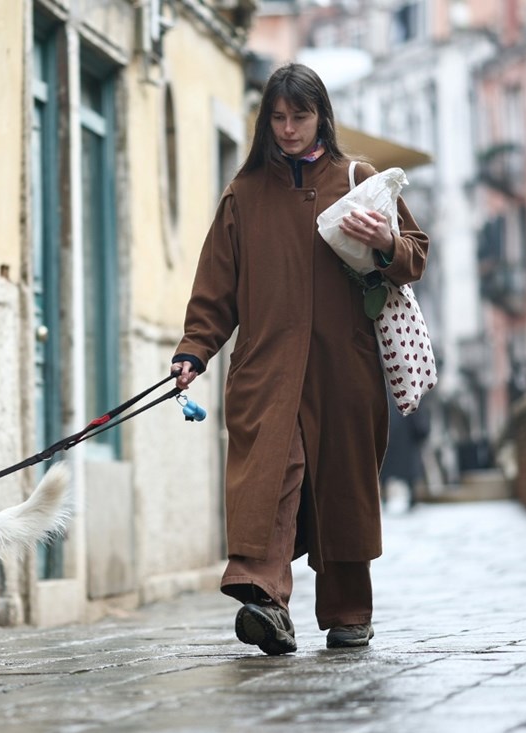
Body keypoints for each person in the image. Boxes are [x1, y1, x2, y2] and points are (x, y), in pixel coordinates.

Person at [170, 63, 429, 655]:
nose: (288, 129)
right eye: (278, 117)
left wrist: (387, 243)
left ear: (322, 118)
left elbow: (415, 256)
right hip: (266, 370)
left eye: (300, 116)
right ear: (266, 121)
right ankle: (265, 600)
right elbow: (215, 290)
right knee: (270, 480)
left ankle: (348, 613)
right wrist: (194, 349)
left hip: (346, 370)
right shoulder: (243, 194)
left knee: (343, 489)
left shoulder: (359, 179)